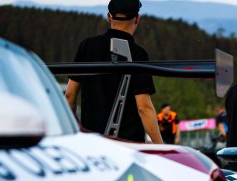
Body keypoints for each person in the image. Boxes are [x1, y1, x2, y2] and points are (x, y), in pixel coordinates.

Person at [64, 0, 163, 144]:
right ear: (137, 18)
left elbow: (69, 94)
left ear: (108, 17)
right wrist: (161, 146)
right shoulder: (138, 54)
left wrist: (73, 134)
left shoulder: (86, 46)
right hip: (127, 145)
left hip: (91, 143)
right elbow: (144, 108)